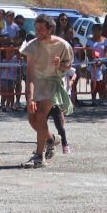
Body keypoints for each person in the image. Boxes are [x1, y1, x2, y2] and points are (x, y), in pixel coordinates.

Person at [21, 14, 74, 168]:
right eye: (36, 28)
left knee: (41, 114)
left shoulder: (63, 45)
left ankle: (39, 157)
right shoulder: (32, 46)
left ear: (51, 29)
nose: (38, 32)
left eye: (42, 29)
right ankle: (51, 139)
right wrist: (29, 98)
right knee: (33, 119)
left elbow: (68, 66)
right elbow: (29, 73)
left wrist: (60, 65)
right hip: (36, 83)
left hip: (52, 83)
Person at [88, 23, 107, 106]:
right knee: (93, 82)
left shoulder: (106, 40)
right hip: (93, 64)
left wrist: (102, 61)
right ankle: (93, 99)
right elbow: (88, 52)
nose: (95, 32)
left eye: (97, 31)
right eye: (94, 31)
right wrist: (93, 61)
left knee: (103, 82)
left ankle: (103, 99)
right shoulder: (89, 41)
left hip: (102, 64)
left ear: (101, 31)